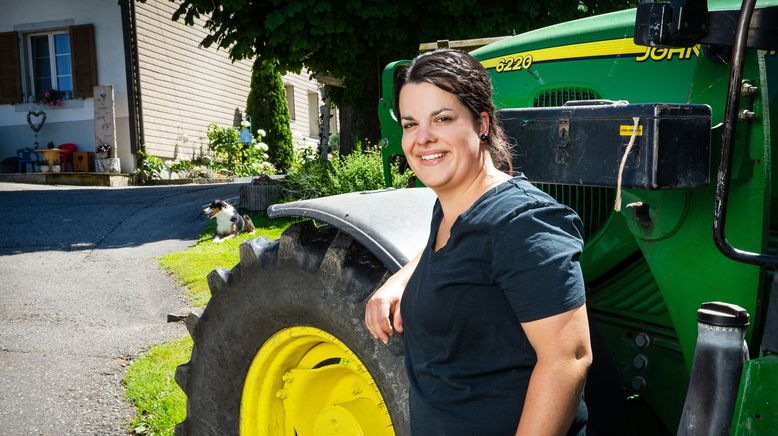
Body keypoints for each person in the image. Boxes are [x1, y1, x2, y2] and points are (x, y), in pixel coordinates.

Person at [364, 48, 592, 436]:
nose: (422, 138)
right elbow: (463, 251)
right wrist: (398, 281)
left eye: (443, 118)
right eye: (410, 123)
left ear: (482, 123)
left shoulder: (526, 222)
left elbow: (568, 359)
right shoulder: (452, 208)